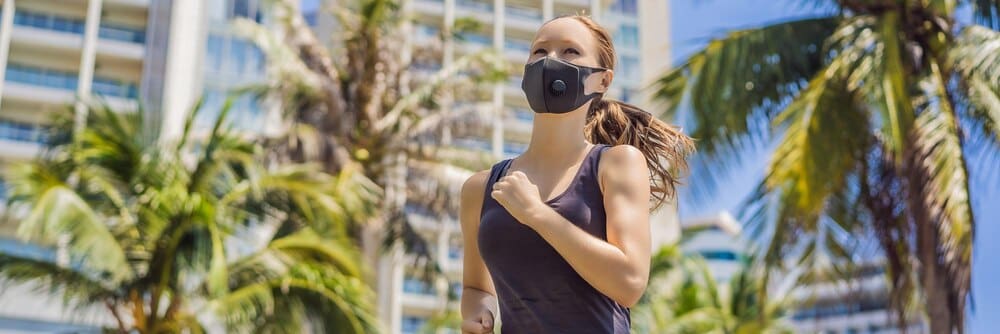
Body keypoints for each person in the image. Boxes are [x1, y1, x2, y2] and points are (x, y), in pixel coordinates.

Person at [458, 14, 694, 334]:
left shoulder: (616, 164)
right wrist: (477, 313)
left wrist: (538, 214)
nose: (550, 60)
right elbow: (476, 288)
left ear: (603, 80)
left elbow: (629, 283)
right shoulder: (480, 188)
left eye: (570, 52)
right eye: (539, 52)